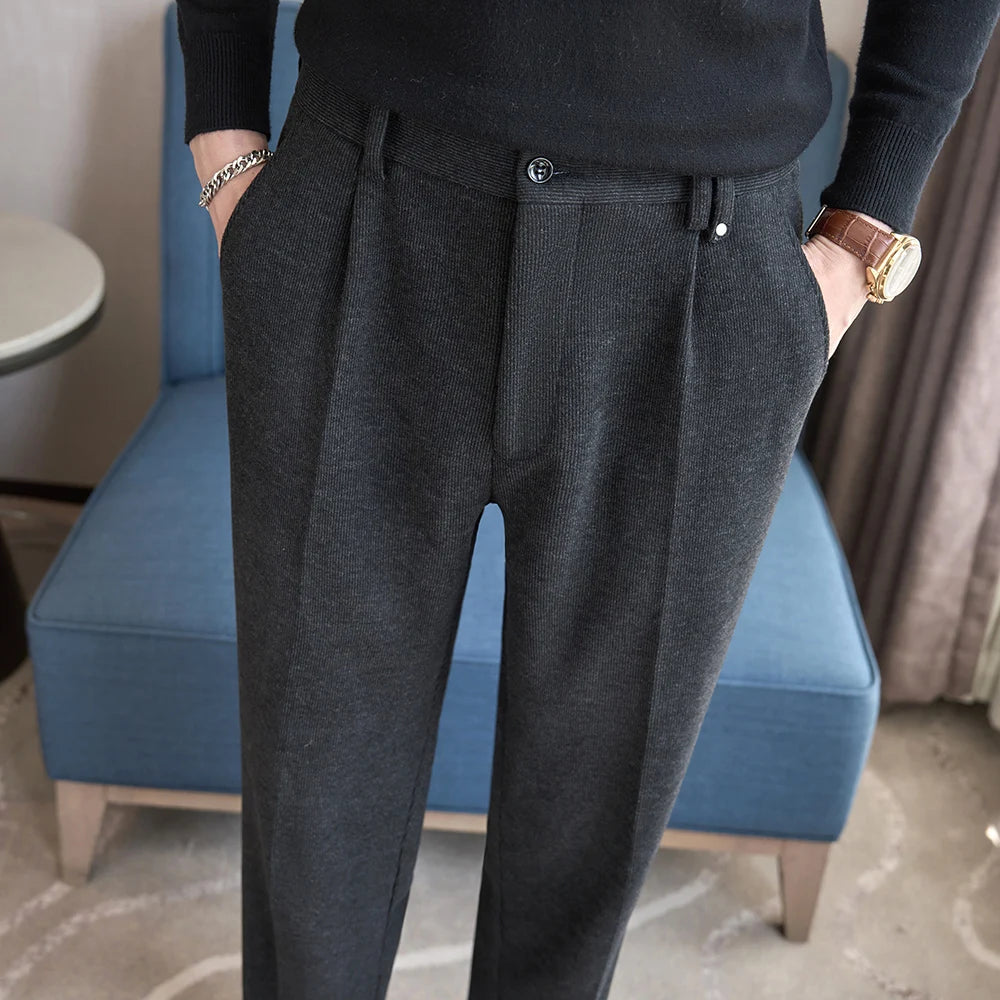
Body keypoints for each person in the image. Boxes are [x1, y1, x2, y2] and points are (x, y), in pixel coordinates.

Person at [176, 3, 1000, 998]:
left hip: (700, 262)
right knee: (315, 790)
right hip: (362, 196)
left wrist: (865, 226)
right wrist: (223, 133)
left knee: (592, 821)